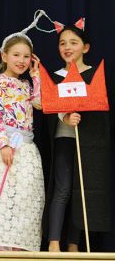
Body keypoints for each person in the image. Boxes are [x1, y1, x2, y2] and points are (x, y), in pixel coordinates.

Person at [0, 34, 45, 251]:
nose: (21, 60)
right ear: (5, 56)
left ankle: (19, 245)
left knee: (25, 196)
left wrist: (36, 76)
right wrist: (3, 144)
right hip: (5, 146)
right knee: (0, 197)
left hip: (26, 147)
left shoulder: (26, 84)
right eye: (16, 55)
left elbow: (39, 104)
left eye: (26, 56)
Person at [43, 25, 110, 252]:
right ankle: (53, 243)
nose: (67, 47)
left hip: (89, 143)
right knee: (62, 188)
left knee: (82, 190)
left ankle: (74, 243)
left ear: (86, 47)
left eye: (73, 42)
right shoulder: (55, 77)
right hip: (64, 138)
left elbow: (100, 110)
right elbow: (51, 106)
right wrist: (65, 118)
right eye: (62, 43)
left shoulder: (95, 75)